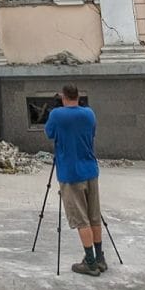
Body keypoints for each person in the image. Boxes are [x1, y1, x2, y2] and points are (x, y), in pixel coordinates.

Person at [45, 83, 106, 276]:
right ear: (79, 97)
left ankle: (90, 263)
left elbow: (49, 133)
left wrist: (56, 110)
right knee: (94, 216)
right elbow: (92, 134)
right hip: (90, 170)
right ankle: (100, 257)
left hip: (71, 174)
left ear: (63, 97)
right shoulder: (89, 114)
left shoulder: (56, 115)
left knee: (81, 220)